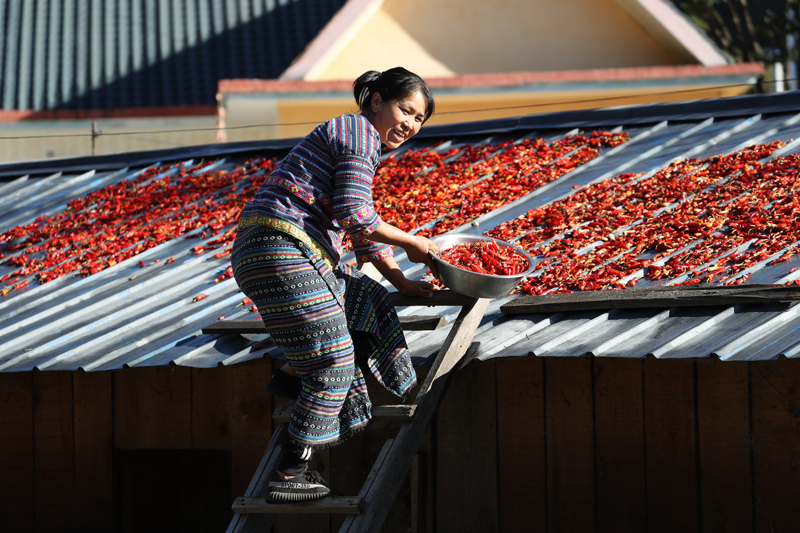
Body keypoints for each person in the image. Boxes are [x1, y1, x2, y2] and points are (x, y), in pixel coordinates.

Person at [230, 67, 439, 502]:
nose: (410, 124)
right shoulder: (358, 133)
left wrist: (401, 278)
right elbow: (356, 216)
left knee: (366, 297)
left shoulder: (354, 137)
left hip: (274, 249)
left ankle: (292, 378)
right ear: (376, 100)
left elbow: (359, 233)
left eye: (419, 119)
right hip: (280, 247)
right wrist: (416, 243)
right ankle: (290, 474)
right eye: (405, 109)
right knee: (334, 362)